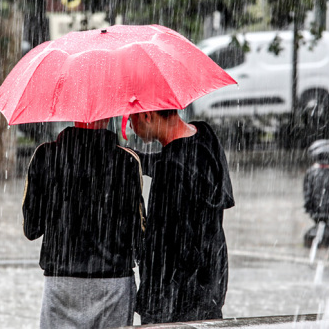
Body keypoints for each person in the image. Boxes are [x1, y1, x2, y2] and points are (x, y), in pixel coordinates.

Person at [23, 118, 145, 329]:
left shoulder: (45, 156)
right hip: (114, 282)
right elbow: (139, 235)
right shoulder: (127, 160)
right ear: (108, 115)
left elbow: (31, 229)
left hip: (62, 281)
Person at [128, 109, 234, 324]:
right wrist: (136, 159)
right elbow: (180, 160)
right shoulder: (205, 137)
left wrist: (154, 310)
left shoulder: (171, 170)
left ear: (148, 115)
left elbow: (165, 250)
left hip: (174, 305)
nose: (130, 126)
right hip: (210, 287)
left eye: (131, 118)